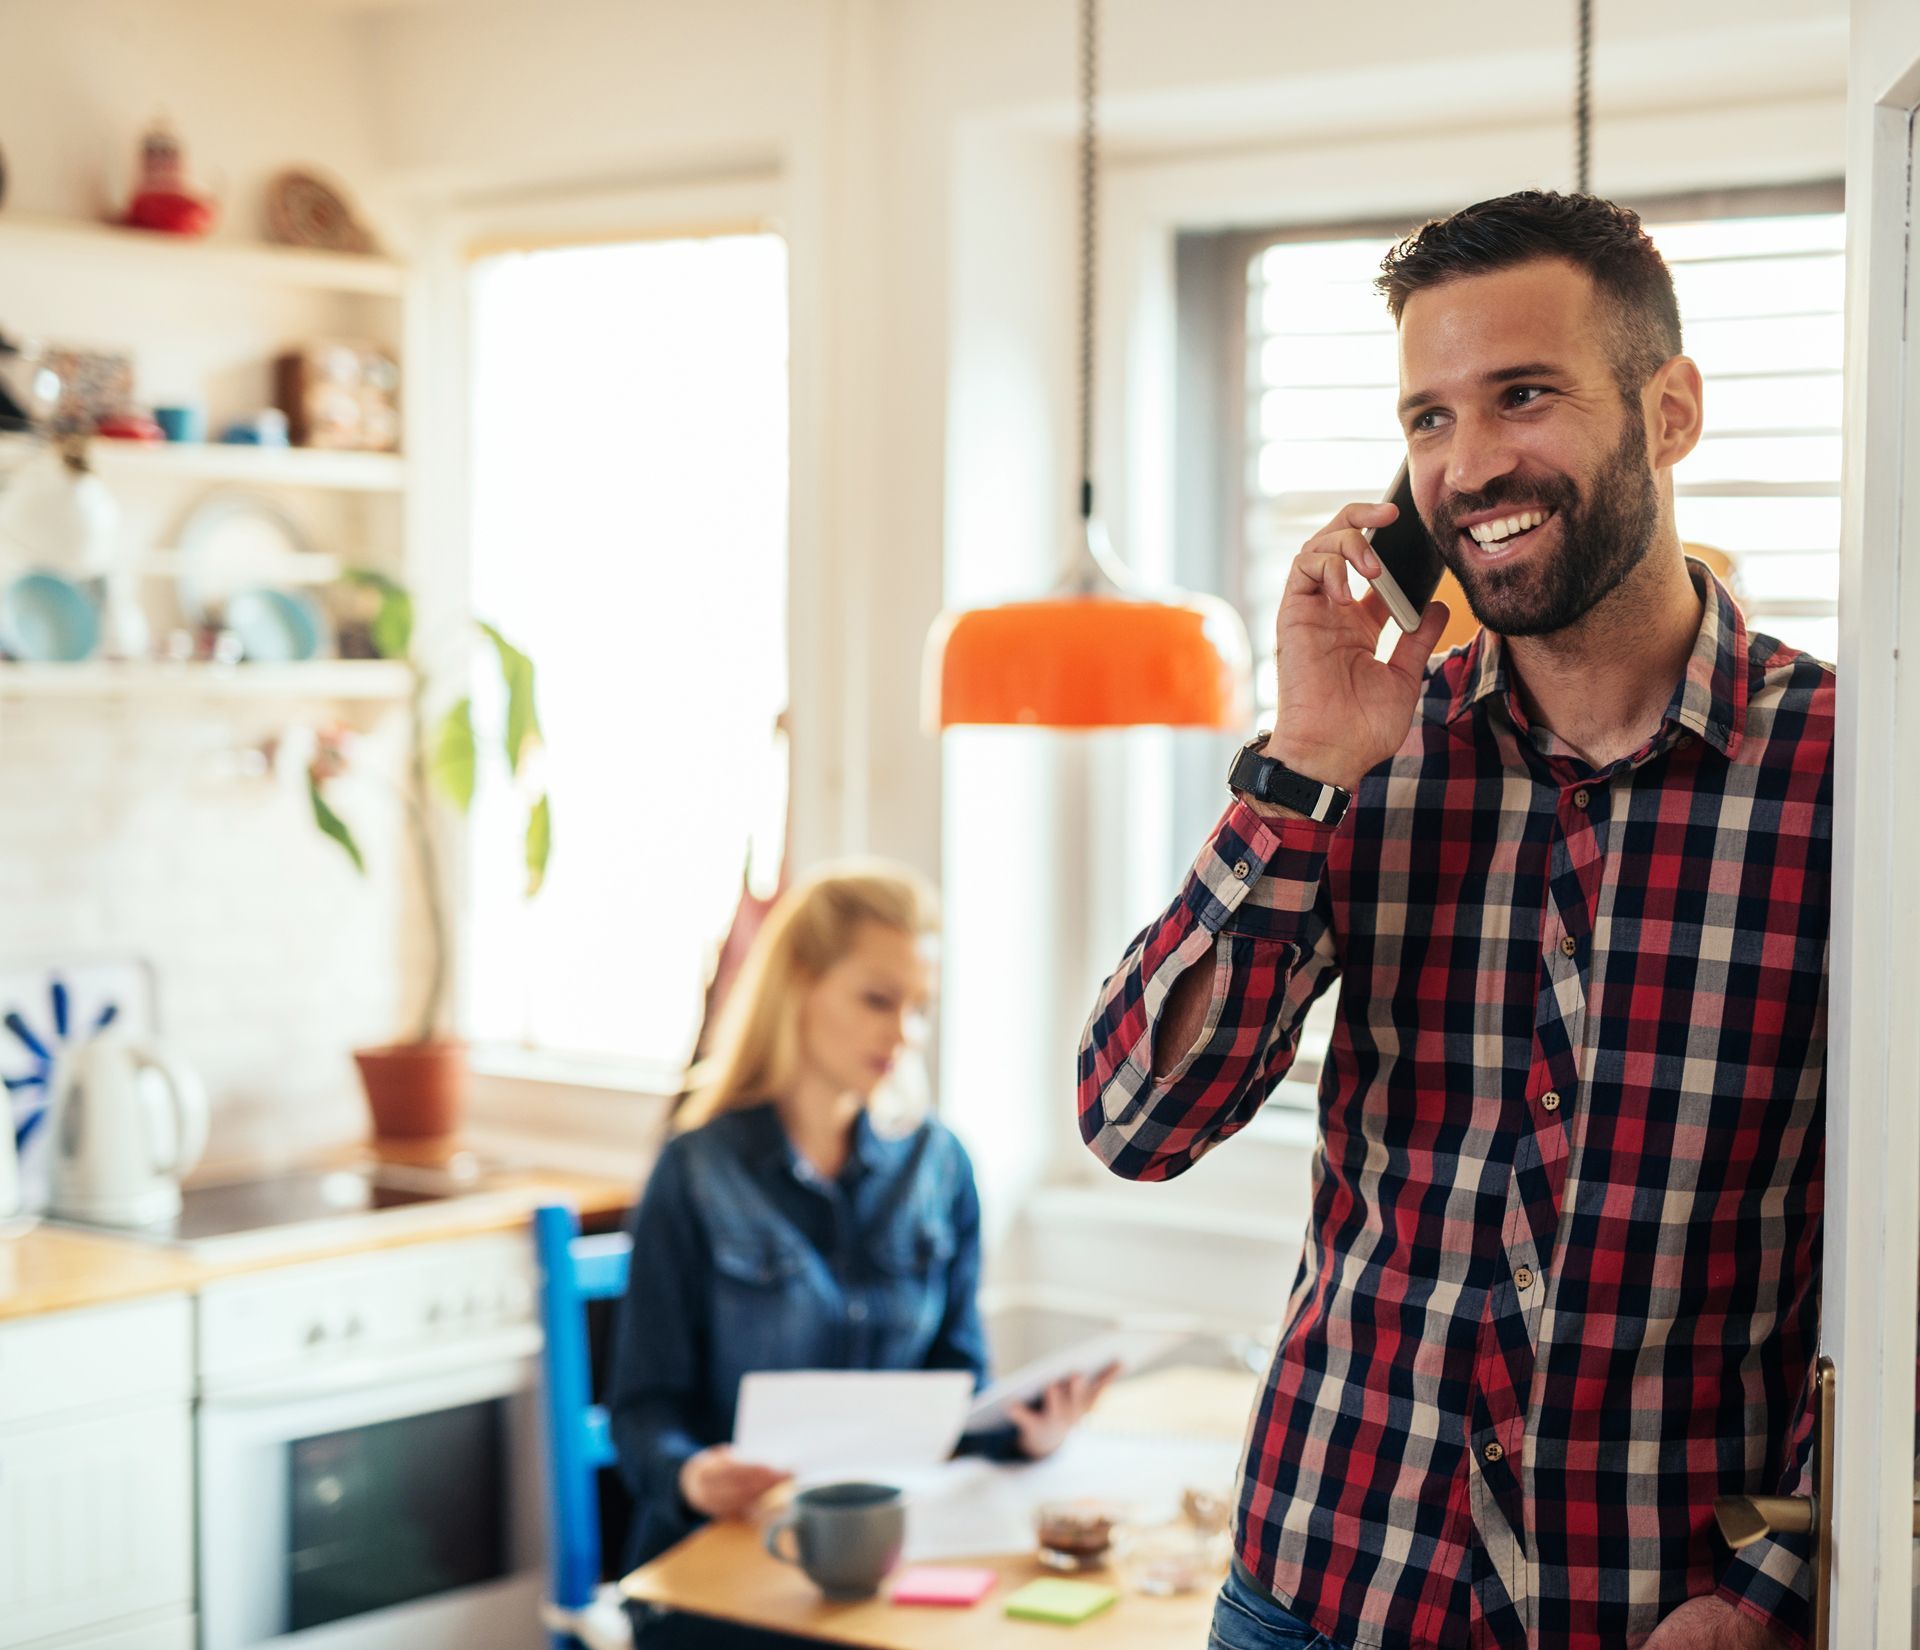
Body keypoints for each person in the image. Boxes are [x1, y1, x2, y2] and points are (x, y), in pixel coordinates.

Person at [1078, 192, 1828, 1650]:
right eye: (1429, 417)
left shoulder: (1851, 776)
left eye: (1523, 395)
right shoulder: (1363, 754)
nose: (1469, 465)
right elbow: (1134, 1118)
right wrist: (1303, 770)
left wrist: (1770, 1586)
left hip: (1645, 1613)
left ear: (1670, 413)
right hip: (1318, 1590)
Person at [611, 861, 1111, 1644]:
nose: (903, 1034)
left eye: (919, 1008)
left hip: (885, 1566)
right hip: (726, 1571)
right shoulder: (695, 1171)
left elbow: (953, 1389)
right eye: (878, 999)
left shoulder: (940, 1167)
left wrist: (1026, 1434)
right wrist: (692, 1476)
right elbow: (643, 1411)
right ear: (797, 987)